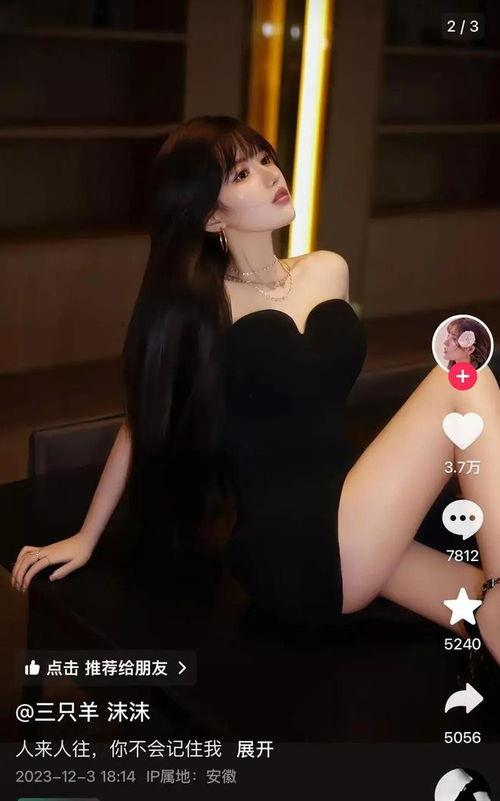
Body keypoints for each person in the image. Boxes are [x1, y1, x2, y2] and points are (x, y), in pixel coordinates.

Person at [9, 116, 500, 670]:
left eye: (266, 159)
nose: (271, 175)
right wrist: (86, 536)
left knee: (483, 610)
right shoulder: (202, 309)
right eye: (242, 173)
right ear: (211, 216)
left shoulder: (328, 270)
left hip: (359, 513)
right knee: (464, 378)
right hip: (292, 544)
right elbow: (141, 421)